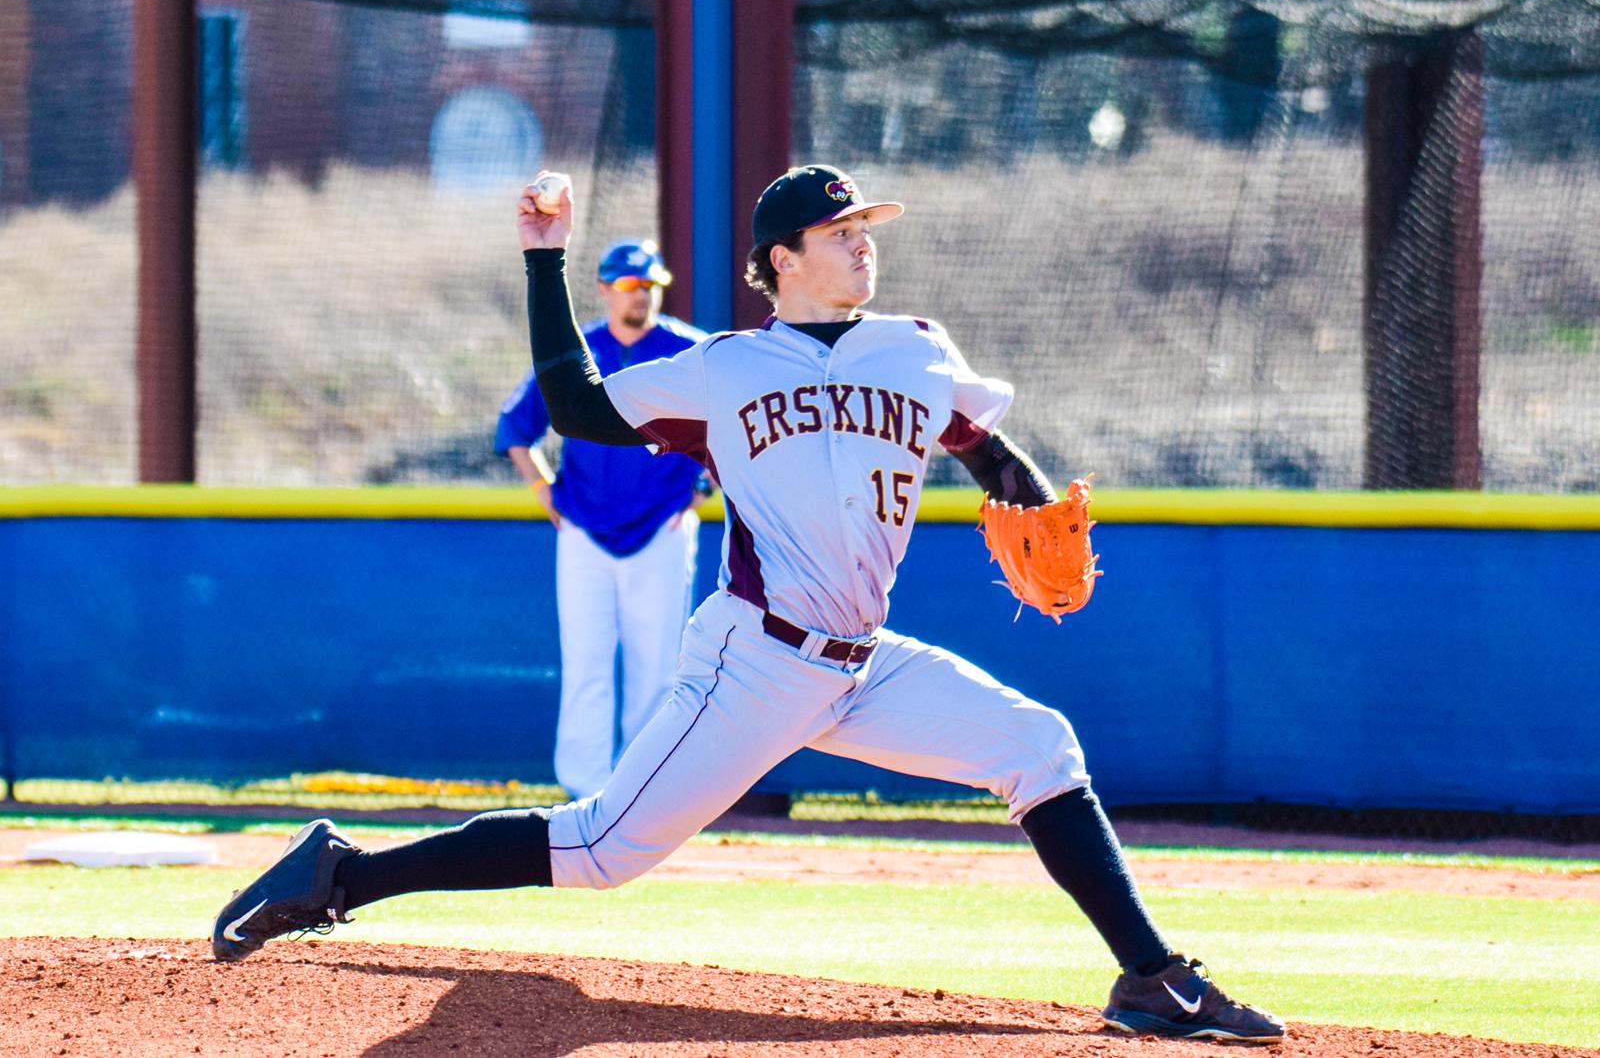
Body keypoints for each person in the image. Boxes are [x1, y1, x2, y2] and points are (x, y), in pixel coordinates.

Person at [212, 165, 1285, 1044]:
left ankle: (1151, 980)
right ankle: (342, 874)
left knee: (1039, 749)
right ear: (781, 260)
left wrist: (1030, 496)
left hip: (863, 663)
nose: (863, 241)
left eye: (865, 226)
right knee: (597, 854)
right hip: (754, 661)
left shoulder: (915, 347)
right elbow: (579, 405)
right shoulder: (723, 368)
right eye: (839, 229)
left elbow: (982, 446)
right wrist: (546, 257)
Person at [496, 238, 713, 800]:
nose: (638, 295)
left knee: (659, 667)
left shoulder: (689, 349)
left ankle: (643, 790)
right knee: (586, 662)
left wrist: (702, 490)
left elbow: (733, 426)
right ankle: (584, 789)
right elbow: (515, 427)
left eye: (646, 285)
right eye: (627, 285)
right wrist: (544, 490)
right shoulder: (577, 347)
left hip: (661, 526)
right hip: (583, 526)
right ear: (604, 289)